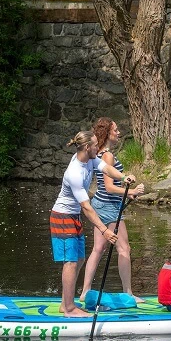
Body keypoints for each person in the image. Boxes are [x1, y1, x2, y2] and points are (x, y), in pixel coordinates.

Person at [50, 130, 135, 317]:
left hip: (73, 216)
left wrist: (123, 177)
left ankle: (66, 304)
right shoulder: (75, 172)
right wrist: (104, 230)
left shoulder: (91, 158)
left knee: (78, 259)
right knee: (71, 262)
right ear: (87, 147)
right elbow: (87, 208)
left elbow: (107, 169)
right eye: (96, 145)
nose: (99, 147)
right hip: (63, 217)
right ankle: (69, 308)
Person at [80, 118, 145, 303]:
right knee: (124, 249)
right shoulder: (107, 155)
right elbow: (108, 187)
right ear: (108, 133)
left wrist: (127, 194)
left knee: (98, 249)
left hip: (99, 204)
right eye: (115, 130)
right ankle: (128, 294)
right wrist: (131, 190)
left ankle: (85, 291)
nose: (119, 133)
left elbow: (106, 186)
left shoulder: (100, 153)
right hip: (108, 206)